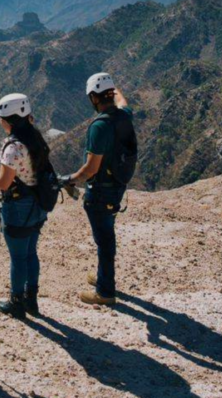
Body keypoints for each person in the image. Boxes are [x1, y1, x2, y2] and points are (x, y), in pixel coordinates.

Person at [59, 73, 137, 306]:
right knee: (106, 236)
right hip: (117, 186)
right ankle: (104, 276)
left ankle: (105, 292)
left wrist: (69, 179)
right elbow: (122, 101)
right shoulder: (124, 115)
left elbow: (90, 169)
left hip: (100, 191)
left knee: (104, 241)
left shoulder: (99, 126)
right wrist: (113, 86)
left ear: (93, 97)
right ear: (110, 94)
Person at [0, 93, 49, 319]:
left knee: (18, 258)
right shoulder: (35, 138)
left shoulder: (13, 147)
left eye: (1, 118)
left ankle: (16, 303)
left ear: (8, 120)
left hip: (18, 206)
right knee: (30, 253)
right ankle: (31, 300)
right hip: (37, 203)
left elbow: (3, 182)